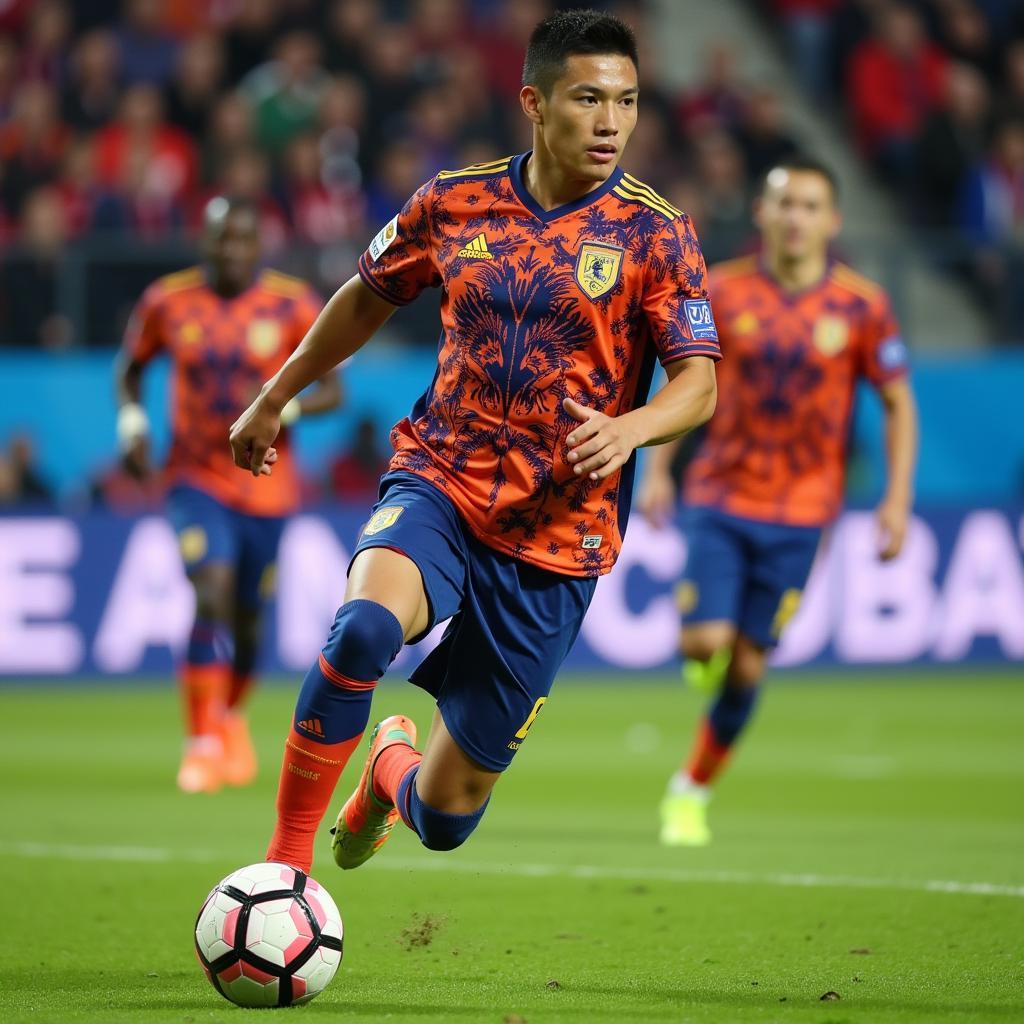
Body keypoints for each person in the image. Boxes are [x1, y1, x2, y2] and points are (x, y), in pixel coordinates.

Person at [228, 8, 720, 876]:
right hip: (441, 481)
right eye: (587, 99)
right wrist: (276, 396)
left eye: (628, 102)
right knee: (361, 633)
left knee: (448, 817)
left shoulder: (656, 232)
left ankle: (388, 769)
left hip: (559, 537)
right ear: (534, 100)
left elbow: (699, 382)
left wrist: (632, 428)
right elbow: (367, 295)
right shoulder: (455, 201)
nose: (611, 123)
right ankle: (282, 869)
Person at [638, 156, 918, 847]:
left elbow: (897, 402)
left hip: (804, 512)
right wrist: (659, 471)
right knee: (705, 641)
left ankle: (691, 789)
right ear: (761, 214)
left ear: (833, 220)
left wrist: (896, 501)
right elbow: (685, 381)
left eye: (810, 205)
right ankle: (705, 649)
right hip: (722, 496)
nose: (796, 217)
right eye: (784, 204)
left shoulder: (861, 305)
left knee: (750, 666)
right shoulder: (723, 292)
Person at [115, 195, 342, 794]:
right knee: (209, 593)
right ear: (205, 242)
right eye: (221, 239)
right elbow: (130, 368)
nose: (231, 251)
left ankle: (231, 718)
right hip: (194, 478)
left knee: (246, 620)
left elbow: (333, 390)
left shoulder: (291, 303)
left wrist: (283, 408)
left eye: (242, 240)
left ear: (258, 245)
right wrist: (133, 423)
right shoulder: (169, 300)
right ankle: (201, 742)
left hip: (267, 485)